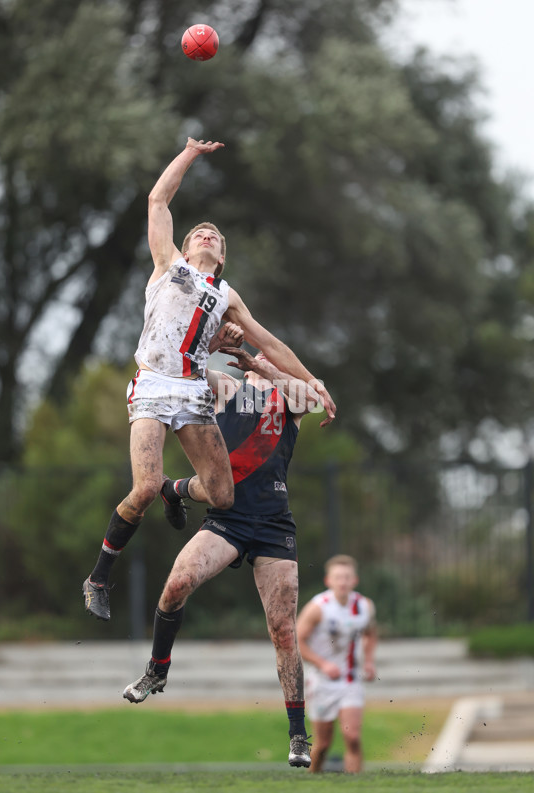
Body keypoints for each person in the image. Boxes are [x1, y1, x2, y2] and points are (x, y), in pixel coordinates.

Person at [83, 137, 336, 621]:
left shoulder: (225, 294)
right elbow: (158, 200)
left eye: (215, 236)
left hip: (195, 390)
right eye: (199, 231)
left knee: (223, 494)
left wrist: (315, 383)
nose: (206, 234)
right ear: (182, 244)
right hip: (154, 385)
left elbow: (273, 346)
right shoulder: (167, 265)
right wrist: (189, 154)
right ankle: (98, 577)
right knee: (141, 486)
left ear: (222, 258)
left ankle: (176, 493)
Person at [122, 347, 321, 769]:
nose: (257, 358)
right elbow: (183, 372)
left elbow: (314, 400)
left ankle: (298, 735)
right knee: (177, 583)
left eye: (266, 354)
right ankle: (157, 669)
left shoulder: (289, 397)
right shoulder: (227, 389)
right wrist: (208, 338)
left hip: (273, 525)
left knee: (283, 629)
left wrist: (263, 365)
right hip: (227, 519)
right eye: (254, 352)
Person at [296, 554, 377, 773]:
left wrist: (368, 661)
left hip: (351, 679)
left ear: (355, 580)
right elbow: (297, 641)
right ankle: (310, 782)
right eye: (338, 577)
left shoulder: (364, 606)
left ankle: (355, 785)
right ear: (328, 581)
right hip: (322, 682)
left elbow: (371, 633)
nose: (343, 582)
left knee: (352, 737)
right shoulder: (318, 607)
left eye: (347, 577)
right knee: (322, 745)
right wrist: (322, 664)